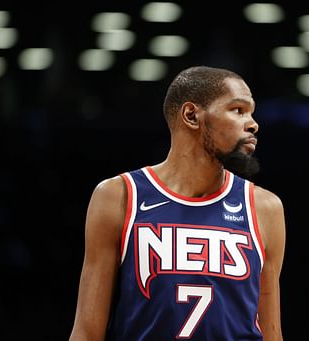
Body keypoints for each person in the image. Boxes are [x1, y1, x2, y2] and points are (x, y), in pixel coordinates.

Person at [69, 66, 287, 340]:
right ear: (191, 115)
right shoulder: (120, 196)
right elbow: (87, 332)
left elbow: (272, 333)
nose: (253, 123)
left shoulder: (265, 208)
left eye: (251, 112)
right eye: (238, 110)